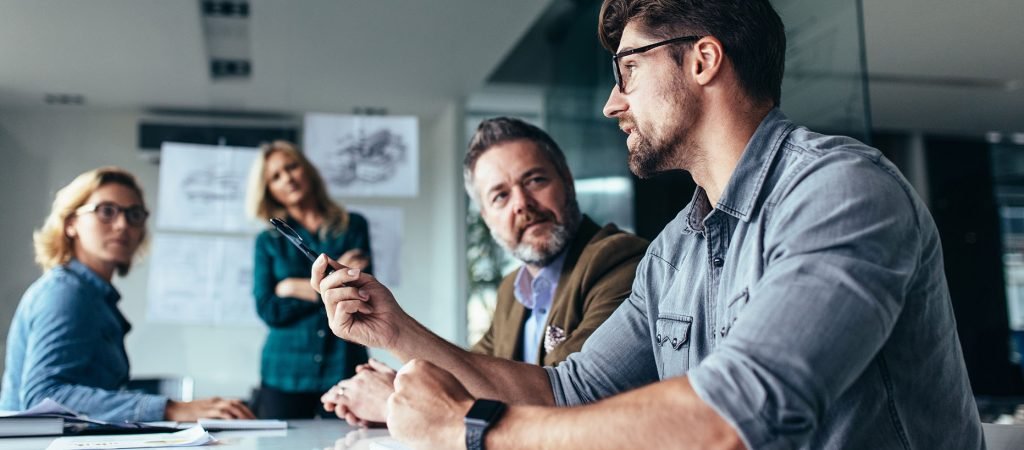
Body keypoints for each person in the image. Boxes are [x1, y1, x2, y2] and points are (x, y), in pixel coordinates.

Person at [313, 1, 985, 448]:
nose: (612, 103)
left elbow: (737, 418)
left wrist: (471, 429)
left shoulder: (842, 191)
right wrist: (394, 330)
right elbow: (566, 391)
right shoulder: (674, 252)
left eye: (629, 69)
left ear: (703, 60)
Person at [319, 118, 648, 425]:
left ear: (567, 182)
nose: (521, 203)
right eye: (500, 196)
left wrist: (397, 401)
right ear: (486, 217)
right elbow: (472, 377)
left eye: (535, 180)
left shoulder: (620, 261)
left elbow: (564, 399)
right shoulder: (513, 289)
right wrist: (401, 383)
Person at [0, 167, 254, 422]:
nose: (123, 225)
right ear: (71, 223)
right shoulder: (65, 293)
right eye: (106, 211)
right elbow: (43, 397)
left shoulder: (95, 297)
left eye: (134, 215)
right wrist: (170, 409)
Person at [246, 140, 371, 419]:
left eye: (291, 167)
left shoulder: (353, 226)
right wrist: (330, 286)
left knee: (352, 440)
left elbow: (359, 294)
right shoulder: (268, 241)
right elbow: (268, 309)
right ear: (268, 190)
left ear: (307, 170)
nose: (287, 178)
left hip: (343, 366)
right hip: (284, 372)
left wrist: (290, 287)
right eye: (275, 176)